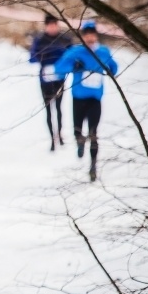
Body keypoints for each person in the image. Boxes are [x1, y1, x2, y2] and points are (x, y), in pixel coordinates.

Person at [53, 20, 118, 182]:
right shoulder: (76, 52)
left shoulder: (103, 51)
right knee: (77, 130)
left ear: (95, 35)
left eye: (92, 34)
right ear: (83, 36)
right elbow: (59, 68)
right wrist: (73, 66)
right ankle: (80, 142)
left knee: (94, 133)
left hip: (95, 99)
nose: (90, 38)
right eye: (86, 35)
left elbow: (114, 68)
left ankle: (93, 166)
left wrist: (110, 69)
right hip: (78, 98)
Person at [29, 14, 73, 151]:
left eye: (55, 24)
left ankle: (59, 135)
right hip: (45, 80)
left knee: (59, 108)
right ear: (46, 26)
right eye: (50, 25)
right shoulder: (40, 40)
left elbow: (72, 56)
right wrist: (43, 56)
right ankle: (52, 139)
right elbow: (31, 58)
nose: (53, 27)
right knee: (48, 110)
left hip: (59, 79)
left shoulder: (65, 39)